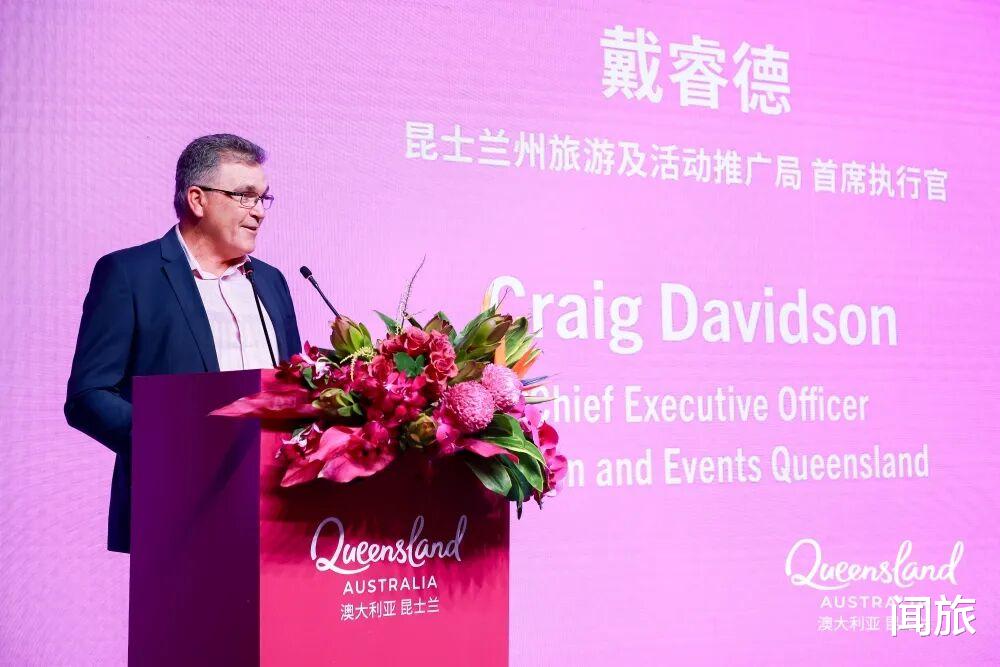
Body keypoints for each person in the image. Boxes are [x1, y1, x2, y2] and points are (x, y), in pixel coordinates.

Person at [65, 134, 301, 553]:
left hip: (277, 507)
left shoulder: (271, 281)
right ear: (197, 199)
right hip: (176, 508)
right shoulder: (130, 274)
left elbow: (294, 386)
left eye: (264, 198)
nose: (259, 211)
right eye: (245, 196)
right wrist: (175, 444)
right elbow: (89, 395)